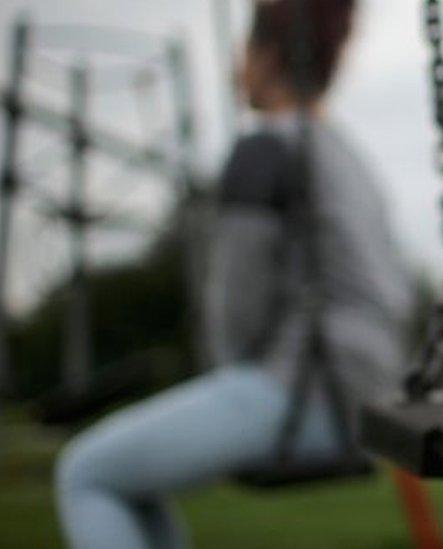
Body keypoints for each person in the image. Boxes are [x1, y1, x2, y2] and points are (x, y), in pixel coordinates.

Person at [55, 1, 413, 547]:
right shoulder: (349, 157)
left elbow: (236, 305)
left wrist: (226, 373)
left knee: (85, 473)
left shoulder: (264, 148)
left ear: (268, 56)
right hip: (371, 401)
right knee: (136, 484)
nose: (234, 67)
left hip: (300, 393)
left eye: (242, 51)